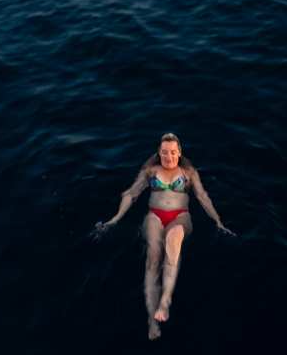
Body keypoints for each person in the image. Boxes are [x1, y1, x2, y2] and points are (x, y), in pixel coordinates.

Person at [94, 132, 234, 339]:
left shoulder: (188, 172)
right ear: (159, 153)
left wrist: (218, 221)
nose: (169, 157)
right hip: (155, 216)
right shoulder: (150, 171)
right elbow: (131, 194)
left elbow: (203, 197)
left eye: (173, 152)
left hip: (180, 217)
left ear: (180, 152)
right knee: (153, 257)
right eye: (165, 152)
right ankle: (152, 320)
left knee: (173, 239)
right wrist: (115, 219)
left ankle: (165, 300)